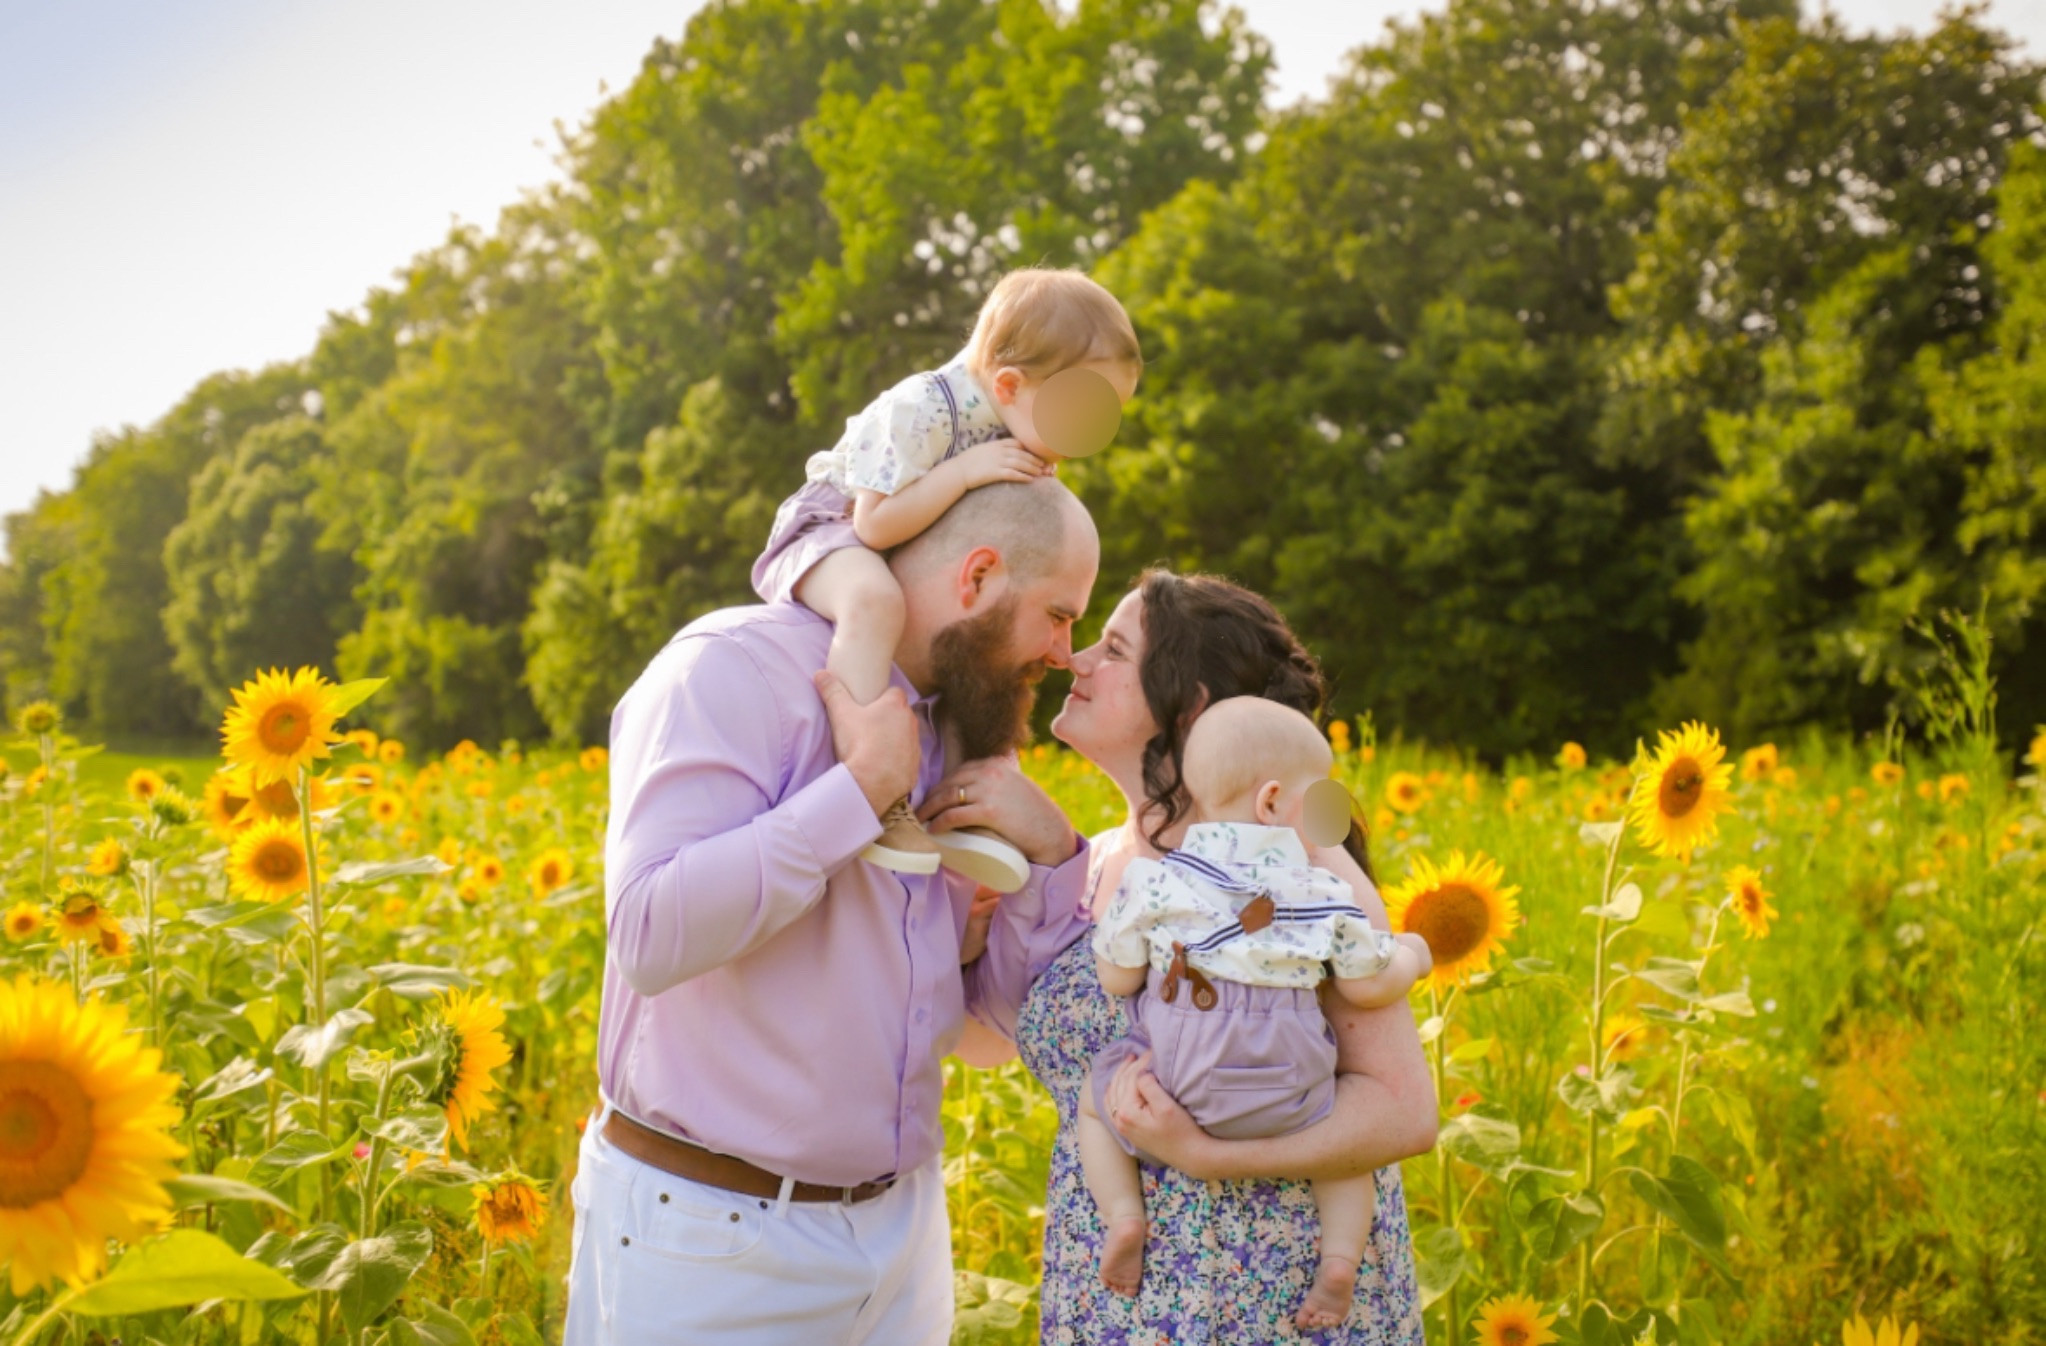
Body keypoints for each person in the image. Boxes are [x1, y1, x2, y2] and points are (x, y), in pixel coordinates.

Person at [562, 477, 1099, 1346]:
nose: (1066, 652)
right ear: (978, 577)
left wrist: (1050, 861)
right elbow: (649, 934)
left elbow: (986, 1040)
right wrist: (859, 791)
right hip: (713, 1241)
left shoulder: (956, 731)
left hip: (903, 1236)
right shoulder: (728, 669)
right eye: (1060, 615)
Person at [928, 569, 1437, 1344]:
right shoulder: (1092, 865)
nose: (1078, 658)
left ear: (1189, 705)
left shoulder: (1294, 866)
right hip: (1114, 1307)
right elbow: (993, 1047)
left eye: (1116, 647)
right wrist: (969, 932)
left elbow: (1405, 1113)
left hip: (1281, 1308)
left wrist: (1208, 1157)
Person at [752, 267, 1141, 882]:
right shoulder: (924, 409)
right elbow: (875, 524)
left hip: (897, 540)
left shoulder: (1014, 426)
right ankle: (866, 775)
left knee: (978, 663)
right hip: (830, 527)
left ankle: (971, 809)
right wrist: (965, 473)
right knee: (876, 603)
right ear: (1010, 384)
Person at [1078, 697, 1432, 1328]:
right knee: (1341, 1149)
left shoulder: (1156, 880)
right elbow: (1369, 986)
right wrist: (1414, 953)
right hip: (1293, 1085)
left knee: (1094, 1101)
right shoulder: (1322, 889)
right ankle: (1341, 1260)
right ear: (1271, 803)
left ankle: (1123, 1217)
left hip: (1180, 1087)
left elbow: (1116, 976)